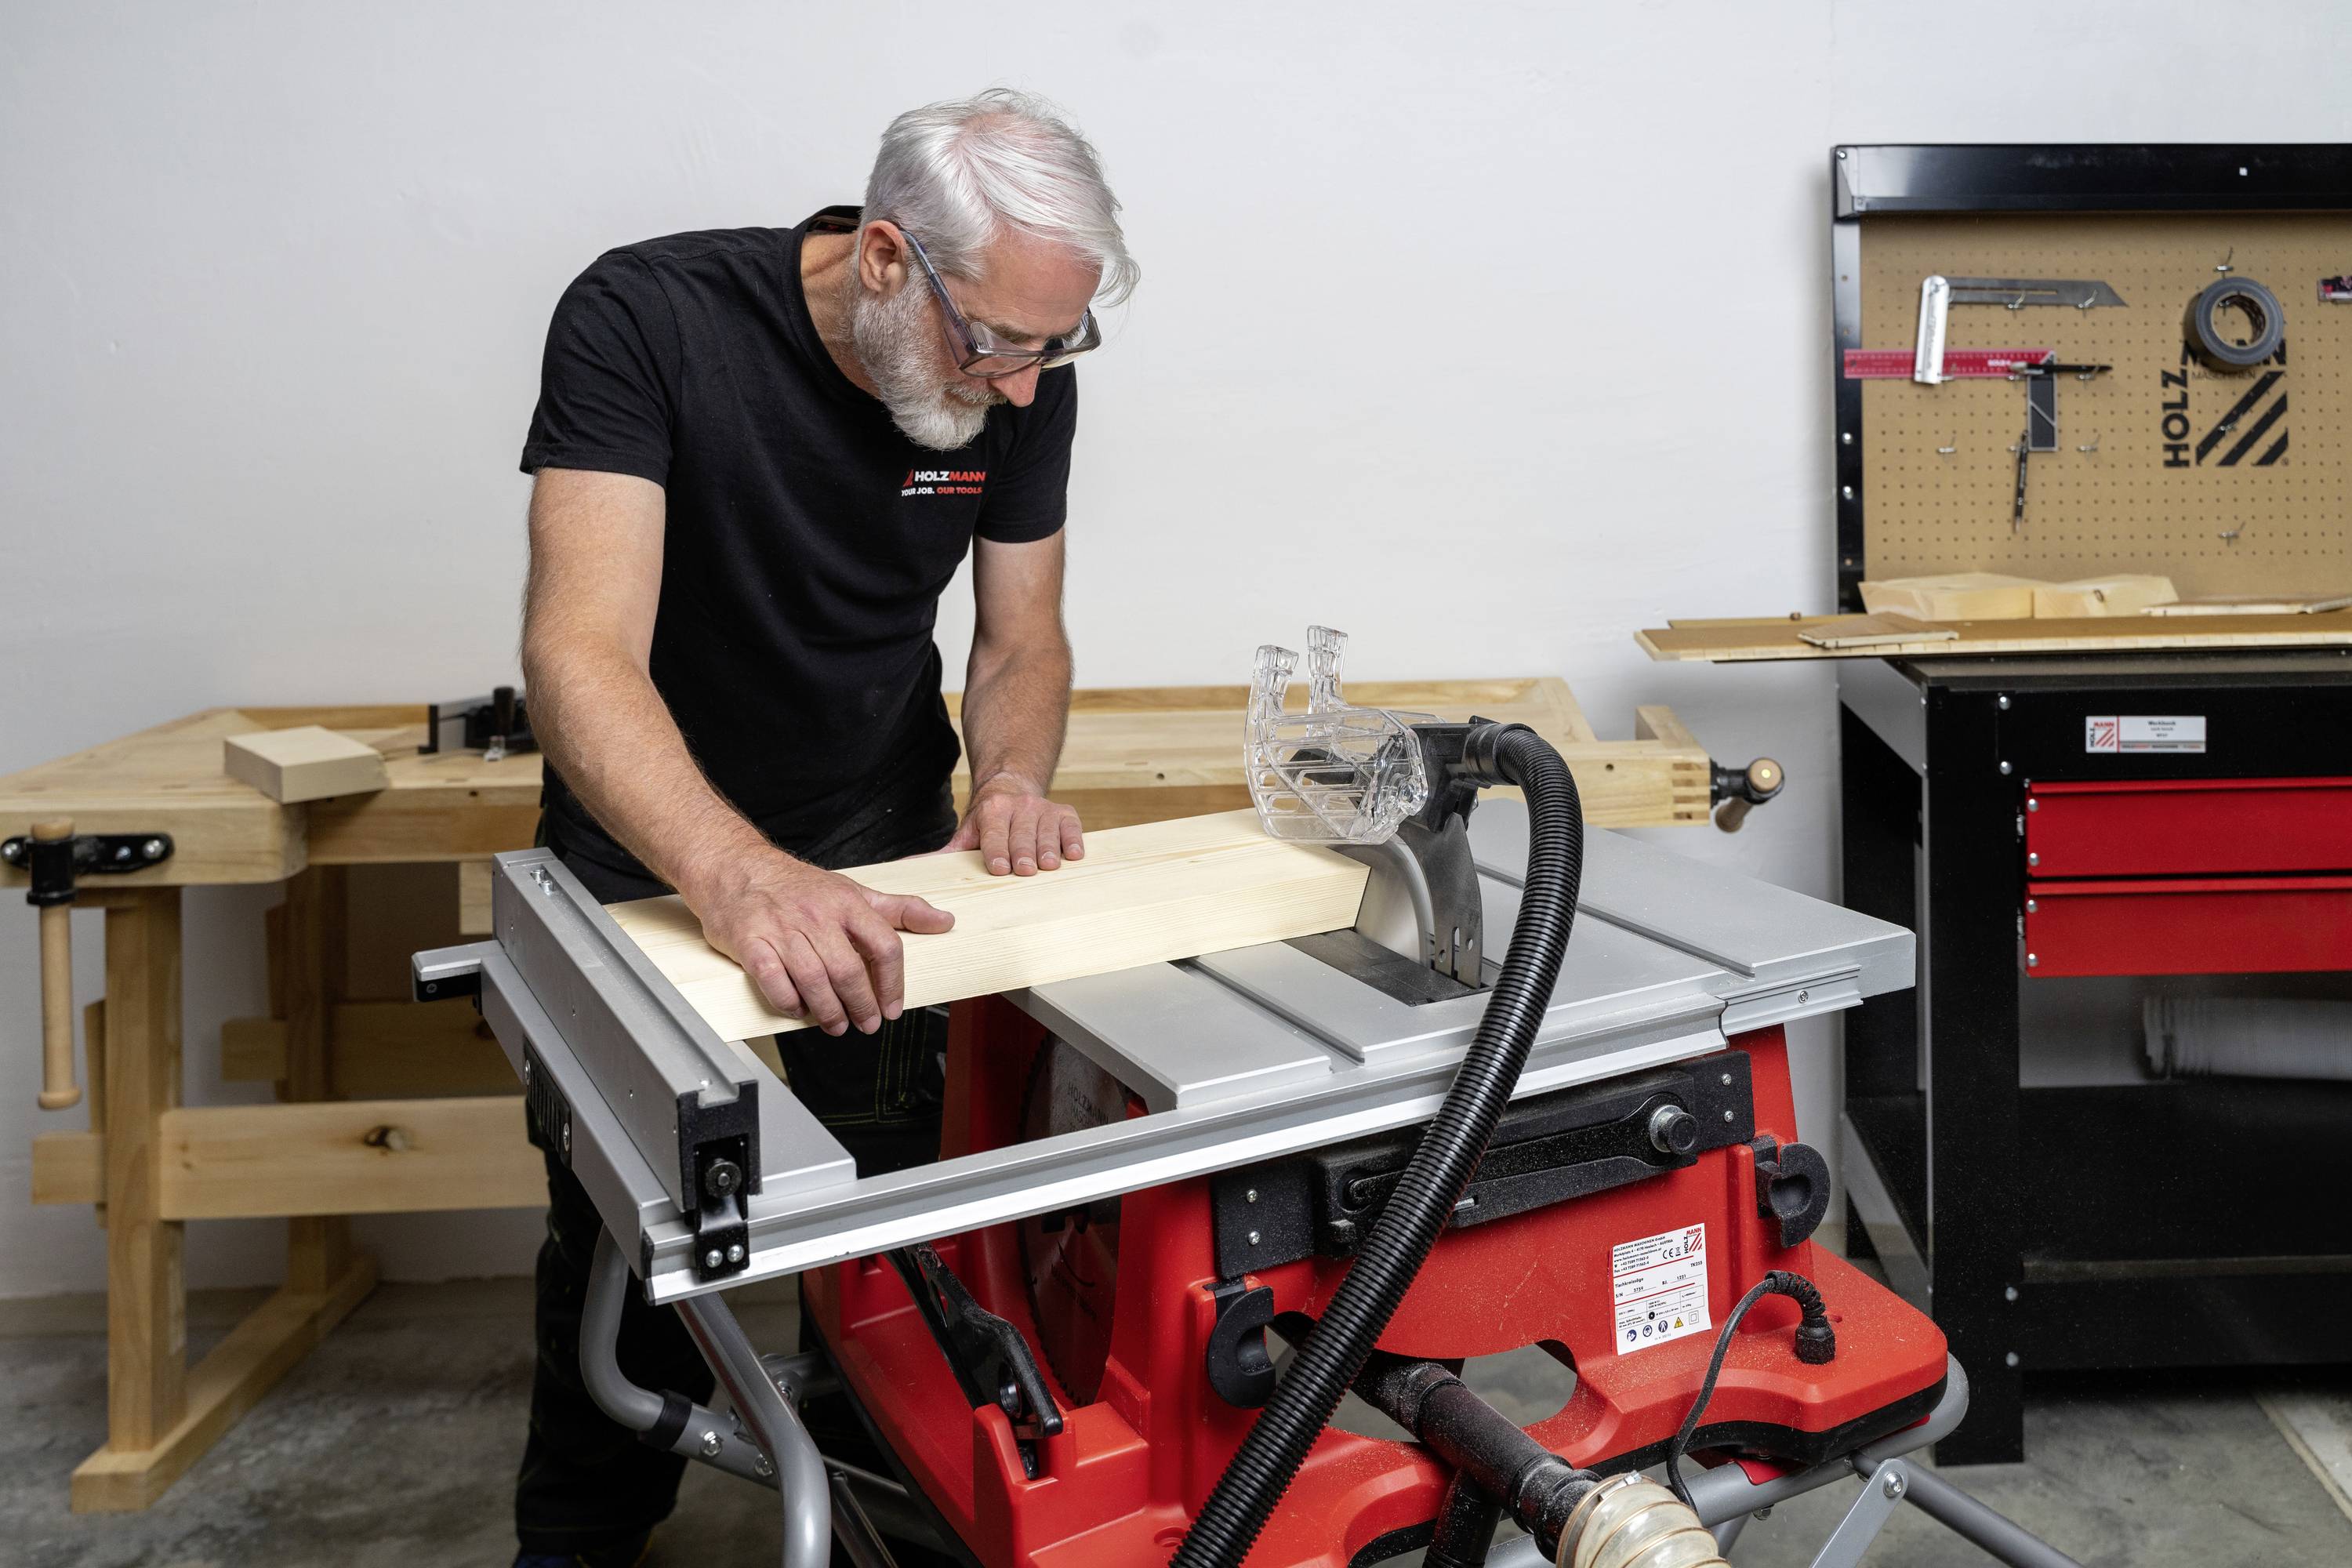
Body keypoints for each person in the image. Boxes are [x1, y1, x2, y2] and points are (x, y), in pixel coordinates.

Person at [508, 89, 1137, 1568]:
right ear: (882, 262)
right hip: (655, 860)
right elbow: (576, 653)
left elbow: (1019, 639)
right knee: (642, 1257)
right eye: (994, 339)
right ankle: (583, 1539)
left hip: (886, 839)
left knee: (902, 1246)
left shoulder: (1019, 371)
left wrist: (1007, 782)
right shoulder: (646, 318)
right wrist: (733, 874)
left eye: (1056, 347)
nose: (1026, 387)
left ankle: (887, 1501)